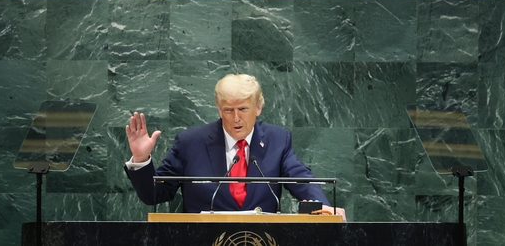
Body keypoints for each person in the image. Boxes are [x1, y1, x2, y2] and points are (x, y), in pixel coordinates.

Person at [124, 74, 345, 219]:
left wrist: (322, 207)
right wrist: (141, 159)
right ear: (219, 110)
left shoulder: (278, 140)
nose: (236, 118)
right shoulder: (190, 143)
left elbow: (301, 178)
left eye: (243, 109)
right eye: (229, 110)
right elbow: (155, 195)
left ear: (258, 107)